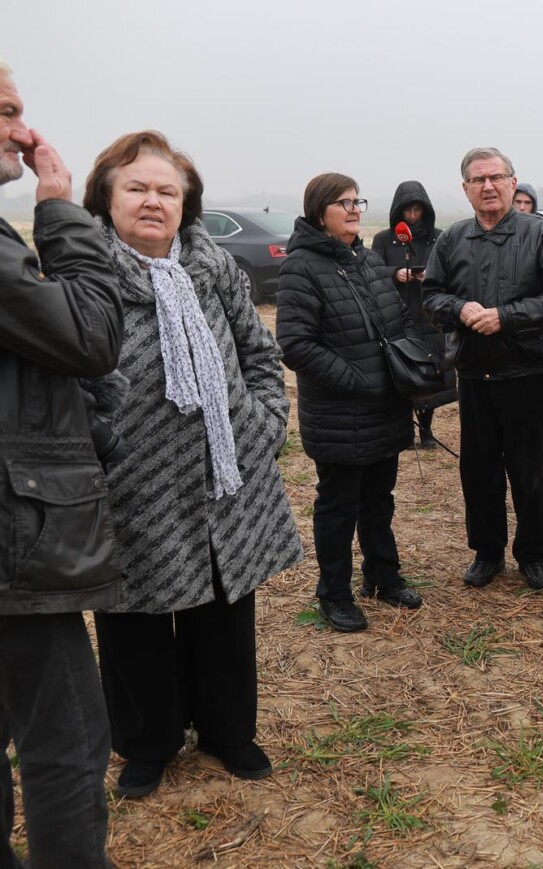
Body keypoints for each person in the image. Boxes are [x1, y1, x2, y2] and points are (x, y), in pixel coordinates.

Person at [82, 130, 303, 797]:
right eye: (137, 188)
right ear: (106, 198)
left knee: (225, 609)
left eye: (167, 190)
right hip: (129, 487)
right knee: (135, 617)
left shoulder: (213, 269)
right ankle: (148, 744)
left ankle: (228, 732)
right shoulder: (82, 277)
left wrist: (262, 426)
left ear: (186, 203)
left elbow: (260, 355)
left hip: (225, 479)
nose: (153, 200)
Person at [0, 61, 123, 867]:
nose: (22, 129)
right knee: (66, 736)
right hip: (17, 533)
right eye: (7, 110)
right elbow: (88, 333)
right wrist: (60, 210)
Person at [423, 148, 543, 591]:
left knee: (531, 472)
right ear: (466, 189)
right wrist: (459, 308)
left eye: (496, 177)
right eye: (478, 180)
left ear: (513, 182)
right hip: (474, 377)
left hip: (528, 376)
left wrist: (506, 316)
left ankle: (533, 554)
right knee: (479, 472)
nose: (488, 186)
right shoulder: (452, 240)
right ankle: (487, 552)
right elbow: (431, 297)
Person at [278, 173, 425, 632]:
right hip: (341, 413)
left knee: (379, 498)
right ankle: (334, 594)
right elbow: (296, 344)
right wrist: (357, 380)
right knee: (339, 505)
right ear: (319, 211)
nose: (354, 208)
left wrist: (411, 365)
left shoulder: (366, 258)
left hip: (383, 406)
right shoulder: (301, 266)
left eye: (357, 200)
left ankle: (382, 576)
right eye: (343, 202)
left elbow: (396, 319)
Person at [371, 181, 455, 447]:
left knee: (429, 372)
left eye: (418, 210)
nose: (413, 215)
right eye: (408, 210)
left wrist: (430, 277)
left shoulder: (439, 237)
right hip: (398, 315)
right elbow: (372, 270)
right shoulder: (384, 239)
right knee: (403, 372)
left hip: (431, 318)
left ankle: (427, 430)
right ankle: (406, 428)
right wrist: (395, 273)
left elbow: (451, 271)